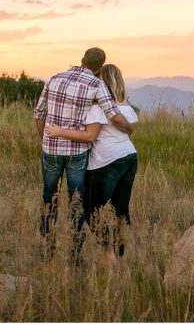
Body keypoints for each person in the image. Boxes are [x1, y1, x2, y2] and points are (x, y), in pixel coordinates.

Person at [33, 48, 133, 258]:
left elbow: (39, 113)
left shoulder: (54, 78)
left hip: (51, 150)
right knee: (76, 201)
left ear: (82, 60)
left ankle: (46, 250)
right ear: (101, 66)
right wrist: (129, 129)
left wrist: (45, 139)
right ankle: (74, 254)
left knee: (48, 197)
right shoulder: (96, 84)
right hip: (77, 153)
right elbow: (113, 115)